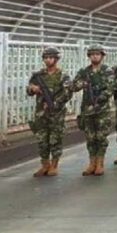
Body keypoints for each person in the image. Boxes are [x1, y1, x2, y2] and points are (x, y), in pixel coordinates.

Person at [26, 47, 73, 177]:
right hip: (41, 113)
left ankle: (54, 165)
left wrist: (55, 103)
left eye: (50, 57)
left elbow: (68, 93)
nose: (48, 60)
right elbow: (29, 90)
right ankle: (45, 165)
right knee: (42, 140)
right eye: (46, 58)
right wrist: (32, 88)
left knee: (55, 139)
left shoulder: (63, 76)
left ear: (56, 59)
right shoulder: (38, 75)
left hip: (56, 113)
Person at [71, 45, 114, 176]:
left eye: (97, 54)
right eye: (92, 54)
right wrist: (82, 84)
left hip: (102, 109)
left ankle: (100, 163)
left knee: (101, 137)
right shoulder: (84, 72)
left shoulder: (107, 71)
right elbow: (73, 86)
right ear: (89, 56)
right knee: (90, 137)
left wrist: (101, 97)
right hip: (88, 109)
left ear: (102, 56)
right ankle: (92, 162)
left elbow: (111, 87)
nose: (95, 56)